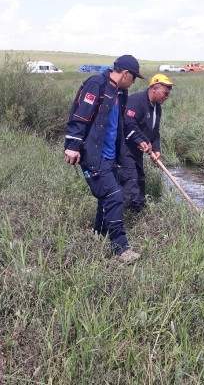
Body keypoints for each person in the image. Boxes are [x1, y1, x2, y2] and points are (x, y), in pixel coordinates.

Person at [64, 54, 145, 264]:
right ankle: (121, 249)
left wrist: (139, 140)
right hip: (93, 153)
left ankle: (98, 233)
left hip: (110, 155)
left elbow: (123, 122)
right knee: (115, 196)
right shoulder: (96, 84)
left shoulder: (120, 92)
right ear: (125, 73)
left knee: (106, 197)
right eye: (134, 77)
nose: (134, 82)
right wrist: (72, 146)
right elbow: (80, 116)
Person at [119, 73, 174, 212]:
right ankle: (122, 217)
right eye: (165, 93)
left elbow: (155, 132)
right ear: (154, 88)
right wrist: (141, 140)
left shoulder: (157, 107)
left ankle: (138, 213)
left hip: (137, 152)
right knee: (130, 182)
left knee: (140, 180)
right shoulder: (136, 100)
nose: (166, 97)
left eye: (168, 94)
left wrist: (156, 149)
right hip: (125, 150)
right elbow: (128, 124)